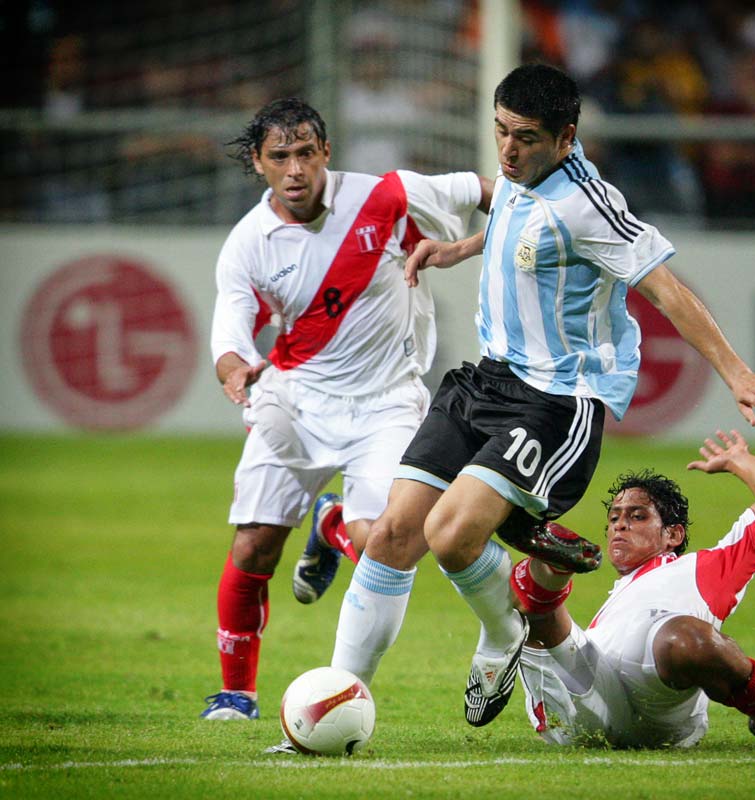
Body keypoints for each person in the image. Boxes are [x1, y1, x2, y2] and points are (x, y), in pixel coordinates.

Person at [309, 62, 755, 733]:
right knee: (393, 534)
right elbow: (519, 225)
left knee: (449, 535)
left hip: (555, 401)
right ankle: (337, 700)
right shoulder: (522, 172)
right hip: (486, 380)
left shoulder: (591, 204)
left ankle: (503, 631)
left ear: (566, 138)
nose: (508, 150)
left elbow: (667, 292)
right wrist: (463, 248)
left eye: (526, 137)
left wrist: (735, 373)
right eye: (501, 131)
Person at [200, 97, 492, 720]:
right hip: (295, 402)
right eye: (280, 156)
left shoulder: (385, 196)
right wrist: (234, 368)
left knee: (389, 542)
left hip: (387, 402)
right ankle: (236, 695)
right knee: (254, 547)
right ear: (258, 163)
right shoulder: (248, 243)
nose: (295, 169)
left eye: (306, 153)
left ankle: (336, 524)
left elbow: (481, 188)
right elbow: (231, 326)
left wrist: (536, 219)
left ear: (326, 152)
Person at [513, 429, 755, 751]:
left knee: (688, 637)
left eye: (637, 516)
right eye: (615, 517)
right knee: (525, 599)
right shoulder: (615, 601)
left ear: (673, 535)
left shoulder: (703, 568)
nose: (620, 525)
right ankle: (543, 582)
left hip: (662, 715)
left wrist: (738, 461)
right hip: (584, 709)